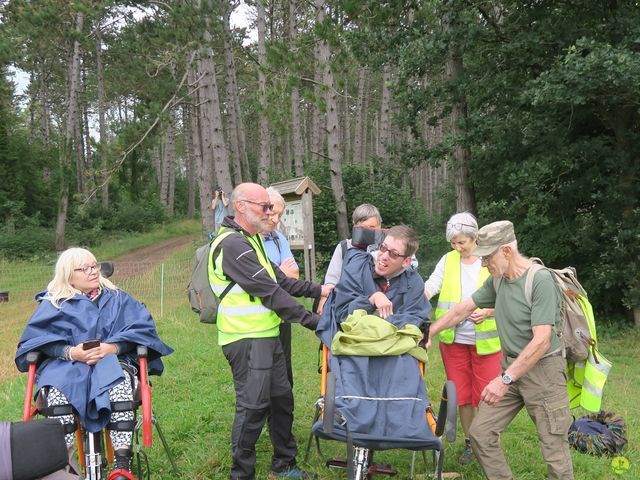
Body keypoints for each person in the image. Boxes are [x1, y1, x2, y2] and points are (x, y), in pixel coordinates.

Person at [427, 221, 573, 480]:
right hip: (511, 368)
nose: (483, 264)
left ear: (506, 251)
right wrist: (430, 331)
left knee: (554, 448)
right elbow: (464, 308)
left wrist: (505, 379)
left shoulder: (539, 280)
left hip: (543, 373)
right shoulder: (498, 280)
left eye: (487, 258)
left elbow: (541, 340)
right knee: (480, 434)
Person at [15, 248, 173, 480]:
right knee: (57, 391)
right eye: (84, 269)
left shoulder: (117, 298)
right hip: (66, 365)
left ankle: (122, 464)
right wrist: (70, 352)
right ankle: (62, 466)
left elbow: (142, 330)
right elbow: (37, 341)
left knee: (118, 380)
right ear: (69, 276)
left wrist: (113, 347)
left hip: (112, 361)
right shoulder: (54, 303)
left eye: (94, 266)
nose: (92, 272)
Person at [211, 182, 333, 480]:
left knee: (281, 399)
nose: (270, 212)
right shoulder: (232, 245)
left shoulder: (251, 241)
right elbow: (271, 294)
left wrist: (322, 289)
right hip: (246, 339)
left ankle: (284, 465)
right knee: (253, 408)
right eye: (264, 206)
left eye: (271, 206)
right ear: (241, 206)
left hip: (268, 335)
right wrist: (317, 323)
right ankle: (241, 474)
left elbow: (282, 281)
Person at [316, 225, 432, 443]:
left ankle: (402, 422)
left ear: (406, 261)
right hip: (355, 344)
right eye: (383, 248)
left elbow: (416, 318)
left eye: (393, 254)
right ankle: (348, 416)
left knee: (404, 362)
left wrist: (380, 324)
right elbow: (341, 312)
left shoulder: (413, 282)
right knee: (352, 362)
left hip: (392, 348)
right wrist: (370, 300)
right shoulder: (357, 268)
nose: (383, 256)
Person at [423, 212, 502, 465]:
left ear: (475, 237)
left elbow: (510, 297)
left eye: (462, 242)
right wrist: (413, 296)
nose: (458, 247)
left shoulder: (490, 259)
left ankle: (487, 445)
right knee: (463, 396)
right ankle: (471, 443)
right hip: (453, 341)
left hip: (487, 343)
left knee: (487, 396)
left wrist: (489, 311)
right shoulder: (448, 260)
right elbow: (431, 286)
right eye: (454, 243)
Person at [262, 187, 299, 387]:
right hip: (255, 323)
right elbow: (257, 278)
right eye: (273, 212)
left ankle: (283, 414)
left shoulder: (278, 239)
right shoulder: (245, 240)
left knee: (285, 367)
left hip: (281, 313)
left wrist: (274, 272)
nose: (276, 219)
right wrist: (279, 271)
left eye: (280, 215)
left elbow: (294, 275)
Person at [323, 203, 382, 287]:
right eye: (363, 228)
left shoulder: (385, 248)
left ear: (379, 226)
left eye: (372, 227)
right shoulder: (344, 246)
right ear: (354, 225)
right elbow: (331, 281)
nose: (367, 231)